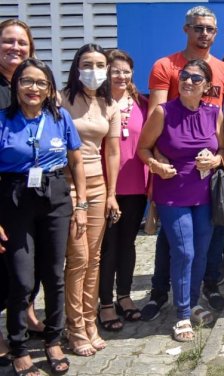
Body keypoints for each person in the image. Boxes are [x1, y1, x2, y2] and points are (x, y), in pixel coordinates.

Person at [142, 6, 224, 321]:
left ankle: (204, 290)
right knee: (172, 243)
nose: (204, 33)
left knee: (208, 241)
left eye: (210, 29)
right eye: (198, 27)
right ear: (186, 29)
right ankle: (160, 293)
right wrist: (158, 162)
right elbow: (153, 130)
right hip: (173, 176)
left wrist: (221, 159)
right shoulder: (165, 66)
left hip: (208, 182)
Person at [0, 58, 86, 375]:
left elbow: (76, 163)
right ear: (16, 85)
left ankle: (52, 340)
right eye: (27, 81)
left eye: (40, 82)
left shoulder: (60, 117)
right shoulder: (2, 120)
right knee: (21, 280)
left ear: (49, 88)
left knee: (55, 275)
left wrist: (81, 205)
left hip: (56, 196)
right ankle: (19, 347)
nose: (33, 88)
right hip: (14, 199)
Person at [138, 60, 224, 342]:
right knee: (184, 251)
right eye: (184, 76)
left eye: (195, 78)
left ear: (207, 86)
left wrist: (215, 159)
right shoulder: (164, 112)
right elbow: (143, 148)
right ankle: (182, 315)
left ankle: (193, 301)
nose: (188, 81)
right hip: (172, 194)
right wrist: (155, 164)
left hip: (204, 195)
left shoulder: (214, 113)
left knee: (201, 251)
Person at [60, 44, 121, 356]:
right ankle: (74, 327)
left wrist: (112, 193)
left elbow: (112, 150)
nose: (94, 70)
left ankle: (89, 321)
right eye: (88, 63)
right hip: (67, 187)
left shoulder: (108, 103)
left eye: (100, 64)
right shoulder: (59, 100)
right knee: (79, 259)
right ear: (76, 66)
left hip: (98, 187)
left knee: (94, 259)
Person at [0, 18, 45, 362]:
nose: (16, 47)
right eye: (8, 41)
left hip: (31, 195)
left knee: (28, 265)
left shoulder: (30, 86)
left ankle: (27, 315)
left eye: (22, 43)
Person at [97, 50, 149, 332]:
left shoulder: (143, 102)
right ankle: (105, 303)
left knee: (128, 243)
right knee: (107, 247)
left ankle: (124, 296)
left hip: (136, 186)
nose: (121, 76)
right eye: (115, 70)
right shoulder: (96, 104)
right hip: (105, 186)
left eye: (126, 71)